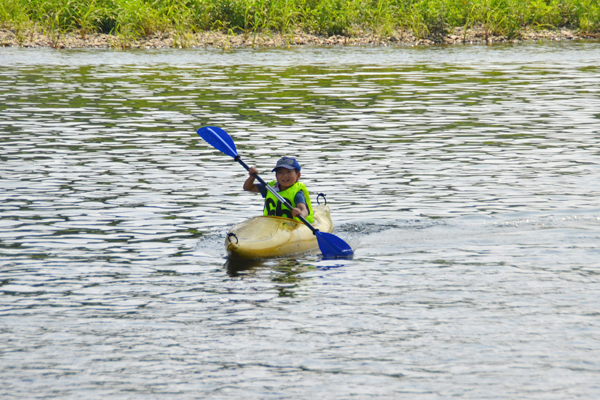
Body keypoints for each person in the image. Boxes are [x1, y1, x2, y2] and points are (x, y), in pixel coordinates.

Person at [243, 156, 314, 223]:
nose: (285, 175)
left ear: (298, 175)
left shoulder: (297, 192)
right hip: (272, 226)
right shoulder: (270, 187)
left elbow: (304, 210)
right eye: (280, 172)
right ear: (276, 176)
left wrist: (300, 213)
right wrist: (252, 177)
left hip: (292, 227)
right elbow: (248, 188)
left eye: (289, 172)